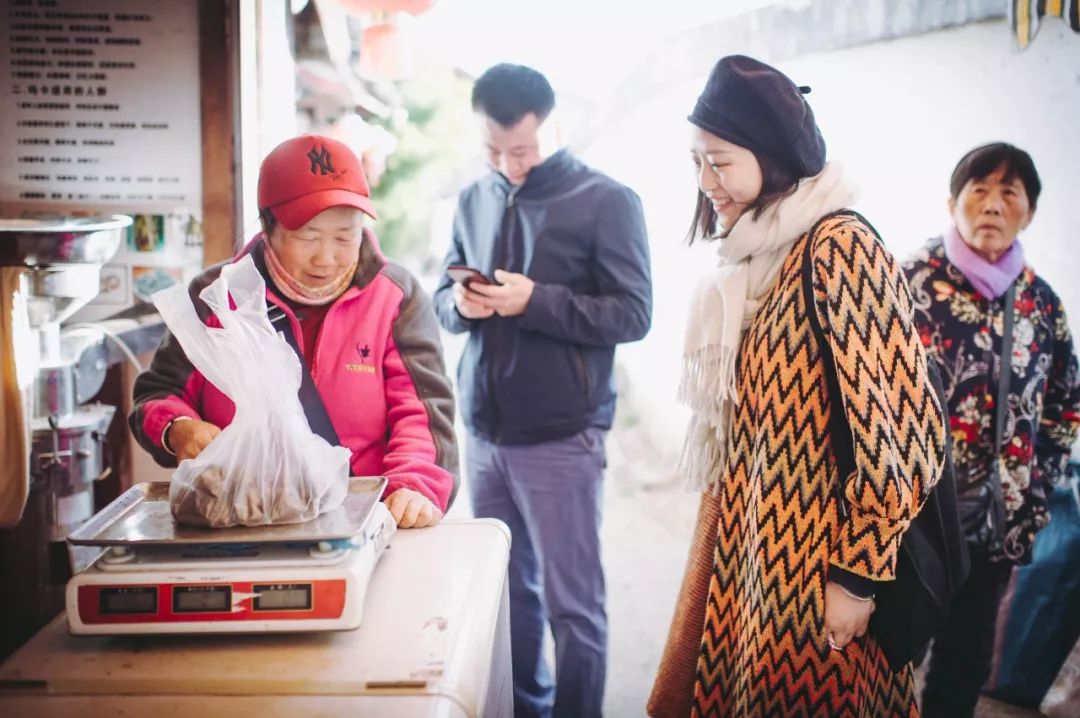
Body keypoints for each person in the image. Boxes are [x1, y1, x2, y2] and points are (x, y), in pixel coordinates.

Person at [647, 55, 947, 717]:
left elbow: (898, 429)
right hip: (757, 559)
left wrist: (858, 576)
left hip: (822, 572)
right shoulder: (760, 255)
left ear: (772, 152)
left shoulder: (840, 247)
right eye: (696, 160)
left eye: (719, 161)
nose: (705, 181)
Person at [433, 63, 652, 717]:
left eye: (522, 149)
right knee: (506, 595)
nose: (510, 165)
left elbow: (633, 314)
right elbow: (444, 297)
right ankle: (528, 707)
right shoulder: (474, 196)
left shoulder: (608, 200)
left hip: (562, 433)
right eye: (495, 150)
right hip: (485, 431)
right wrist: (460, 308)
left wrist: (536, 302)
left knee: (572, 603)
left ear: (551, 126)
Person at [130, 134, 458, 528]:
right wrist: (177, 429)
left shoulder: (394, 298)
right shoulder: (215, 296)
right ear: (268, 228)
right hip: (235, 516)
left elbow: (422, 412)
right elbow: (156, 395)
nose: (327, 258)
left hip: (366, 518)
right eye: (308, 237)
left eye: (344, 236)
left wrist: (412, 486)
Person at [902, 142, 1080, 718]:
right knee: (889, 656)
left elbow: (1065, 404)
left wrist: (1033, 492)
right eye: (979, 189)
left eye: (1010, 192)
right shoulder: (909, 281)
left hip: (996, 524)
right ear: (952, 202)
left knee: (965, 665)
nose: (993, 204)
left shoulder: (1041, 305)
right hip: (913, 519)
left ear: (1028, 210)